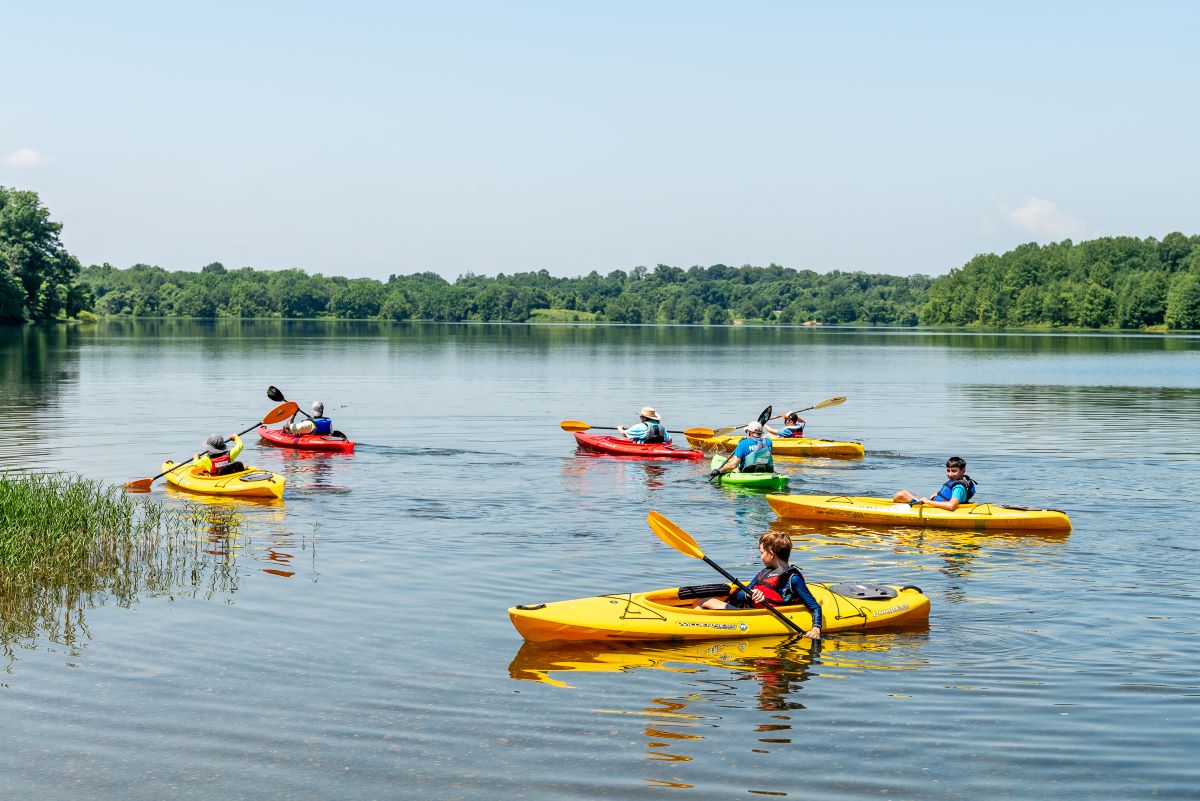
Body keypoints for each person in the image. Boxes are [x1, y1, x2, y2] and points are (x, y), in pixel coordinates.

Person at [694, 531, 822, 640]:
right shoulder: (764, 573)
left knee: (704, 602)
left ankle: (695, 628)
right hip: (746, 611)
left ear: (771, 553)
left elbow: (815, 607)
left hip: (757, 618)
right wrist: (750, 595)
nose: (760, 557)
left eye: (762, 552)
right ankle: (699, 625)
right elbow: (738, 596)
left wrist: (816, 628)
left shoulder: (793, 579)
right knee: (703, 600)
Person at [893, 455, 977, 511]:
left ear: (963, 471)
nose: (950, 474)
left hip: (932, 509)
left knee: (901, 495)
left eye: (954, 471)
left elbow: (952, 506)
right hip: (934, 506)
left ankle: (896, 509)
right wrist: (937, 494)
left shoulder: (958, 487)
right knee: (902, 493)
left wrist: (928, 501)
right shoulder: (957, 483)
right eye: (948, 471)